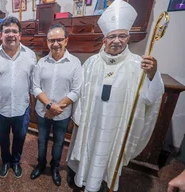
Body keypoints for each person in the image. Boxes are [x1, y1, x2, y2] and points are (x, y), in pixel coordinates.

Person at [66, 0, 165, 191]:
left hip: (116, 128)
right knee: (86, 155)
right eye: (112, 36)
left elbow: (151, 97)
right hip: (91, 125)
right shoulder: (92, 63)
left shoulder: (139, 65)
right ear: (104, 40)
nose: (117, 40)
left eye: (122, 36)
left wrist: (152, 75)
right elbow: (80, 94)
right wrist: (77, 116)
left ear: (128, 38)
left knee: (107, 161)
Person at [0, 16, 37, 178]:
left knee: (20, 137)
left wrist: (35, 105)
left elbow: (34, 84)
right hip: (0, 108)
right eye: (7, 31)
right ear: (1, 35)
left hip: (22, 107)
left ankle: (16, 162)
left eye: (14, 31)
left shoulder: (30, 55)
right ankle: (6, 161)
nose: (11, 34)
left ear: (20, 35)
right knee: (2, 138)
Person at [30, 23, 82, 186]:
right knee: (42, 140)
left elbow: (76, 90)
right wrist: (49, 106)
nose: (55, 43)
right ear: (47, 42)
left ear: (66, 40)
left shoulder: (75, 63)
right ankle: (40, 164)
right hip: (43, 111)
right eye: (52, 40)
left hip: (63, 113)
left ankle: (54, 167)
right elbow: (35, 87)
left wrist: (57, 108)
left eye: (59, 39)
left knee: (59, 142)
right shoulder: (41, 63)